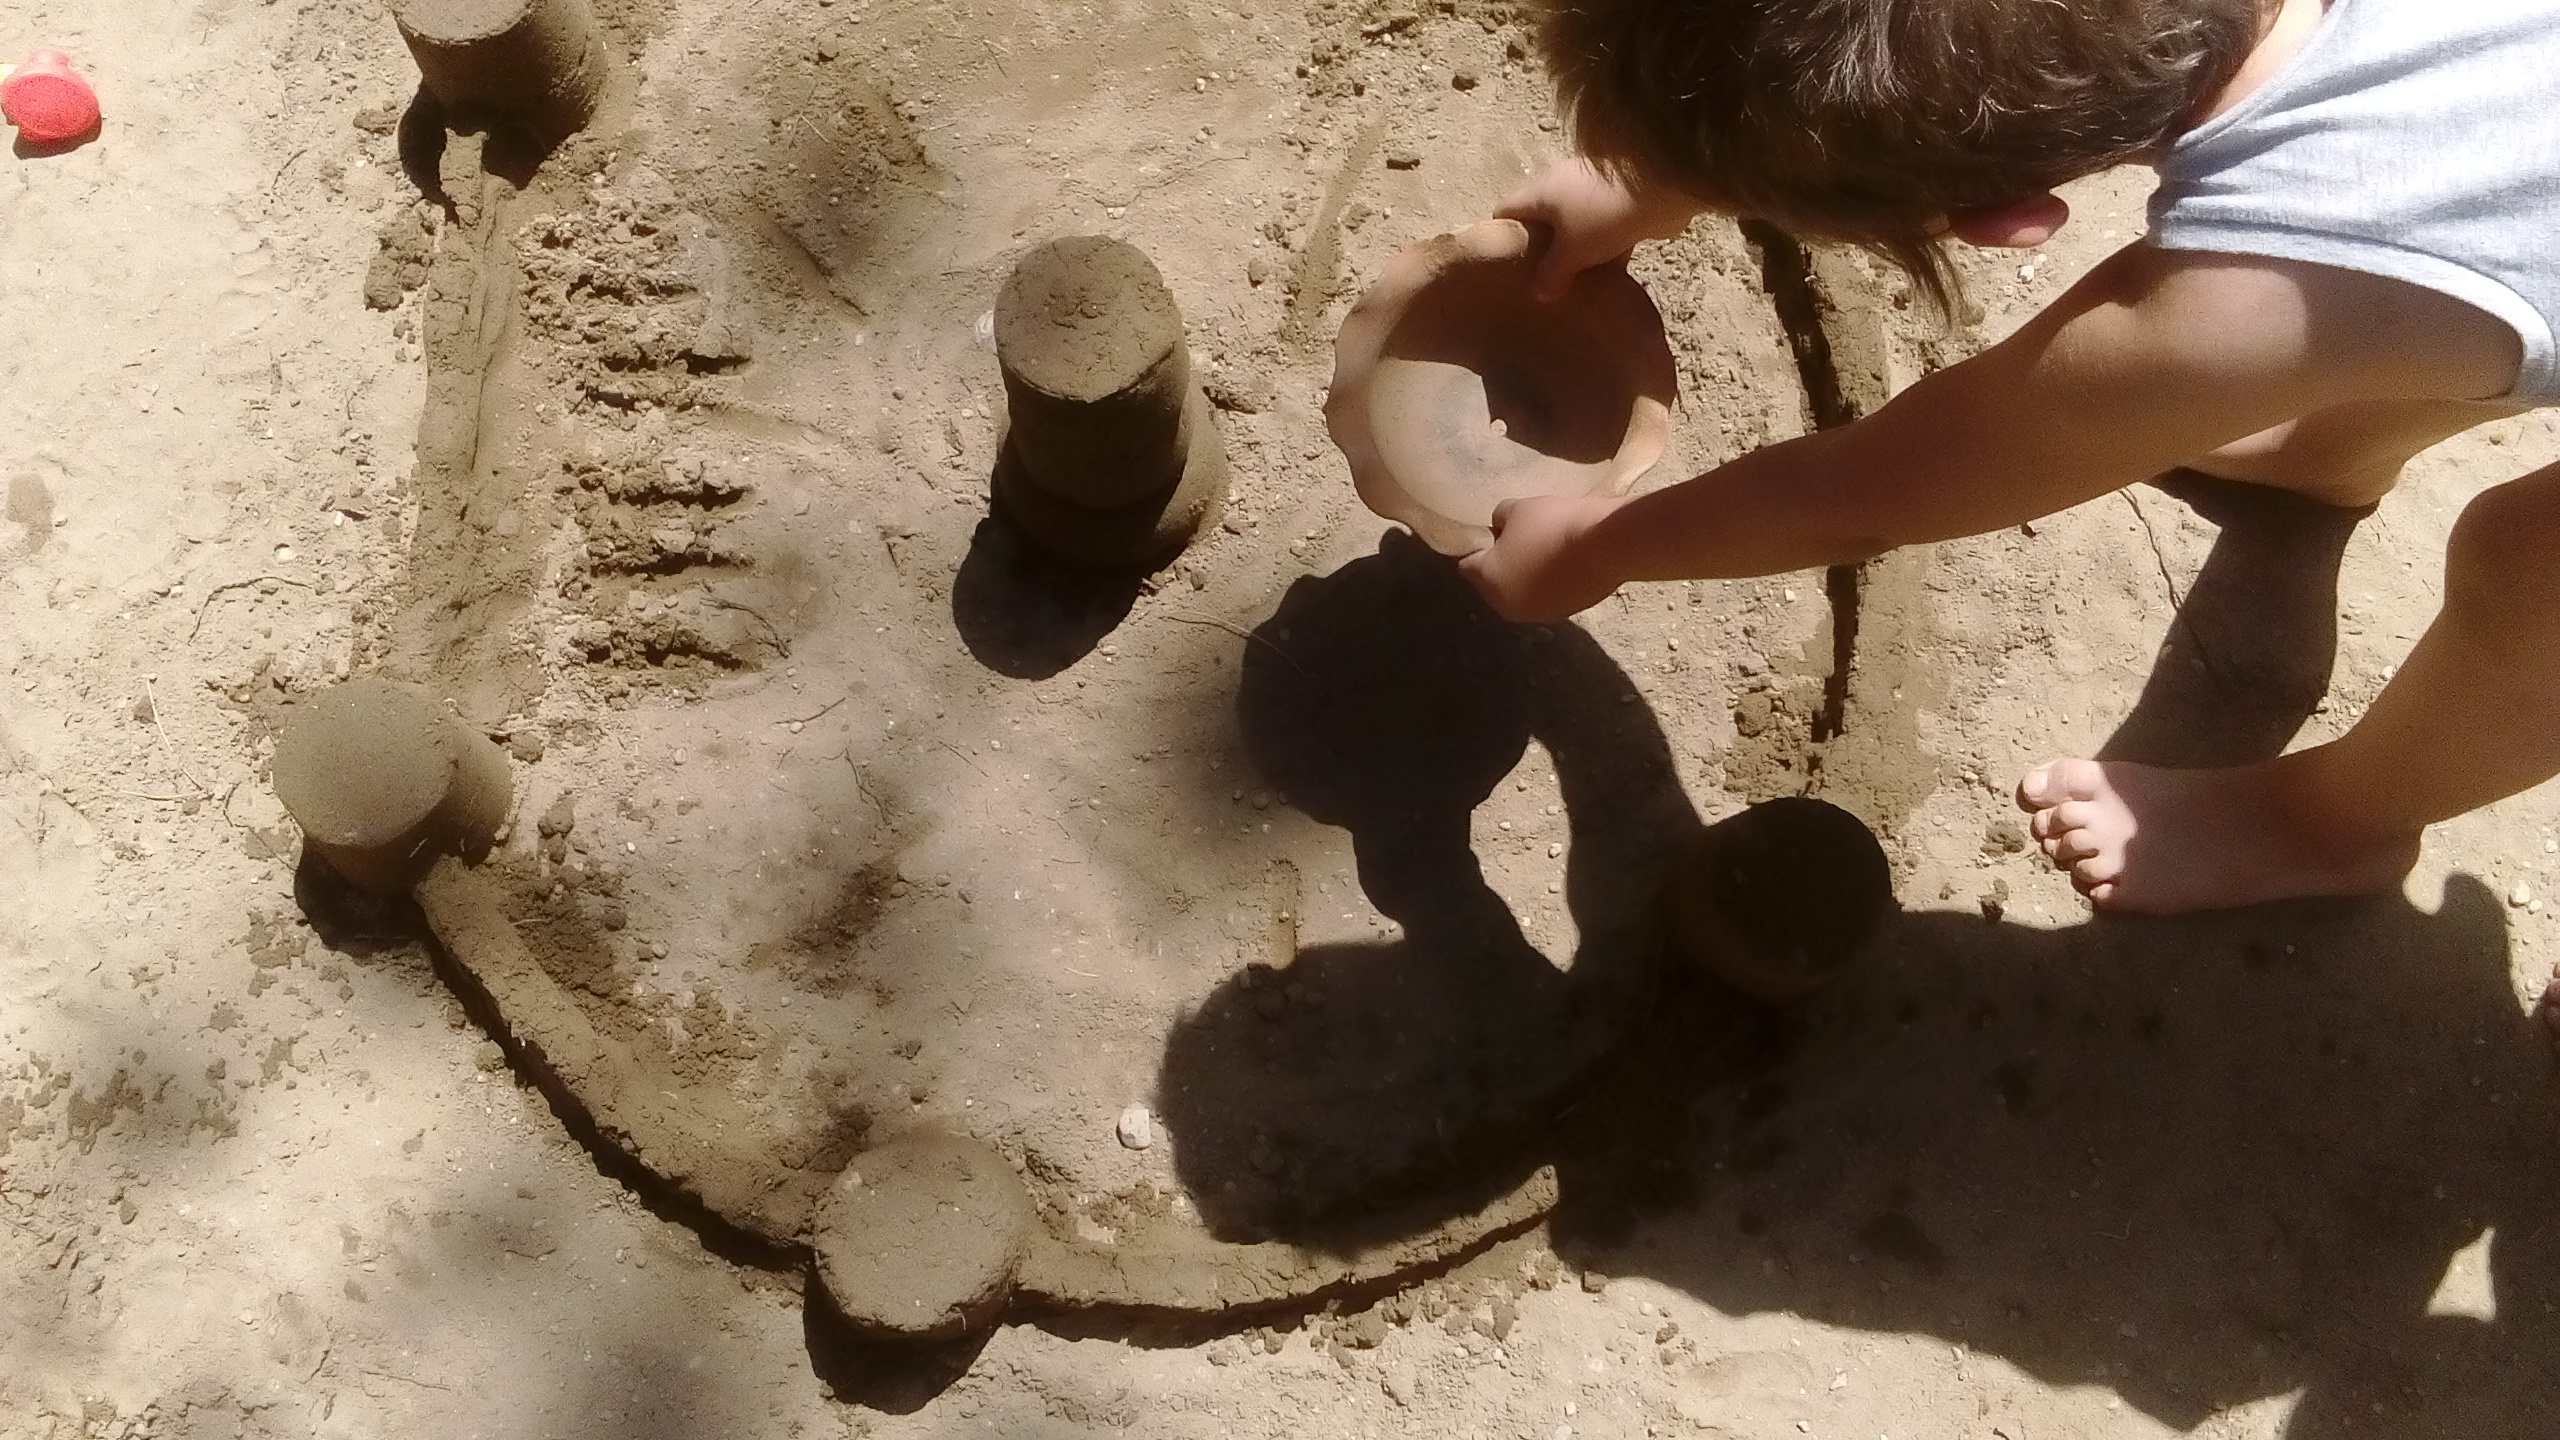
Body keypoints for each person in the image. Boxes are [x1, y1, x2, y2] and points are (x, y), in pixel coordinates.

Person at [1462, 0, 2560, 936]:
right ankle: (2328, 453)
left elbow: (1865, 493)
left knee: (2529, 572)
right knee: (2419, 293)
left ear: (2007, 225)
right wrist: (1656, 175)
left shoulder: (2223, 311)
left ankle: (2330, 828)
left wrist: (1600, 547)